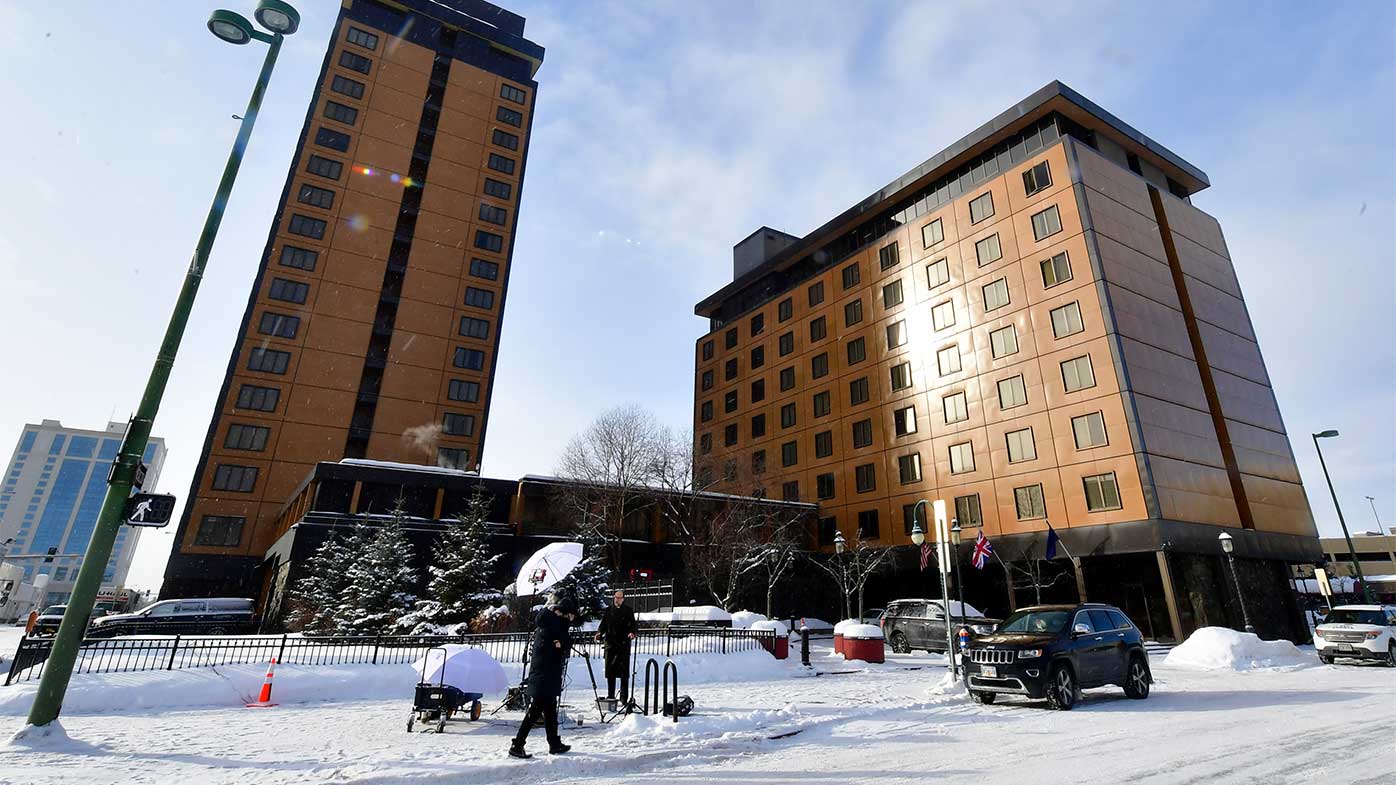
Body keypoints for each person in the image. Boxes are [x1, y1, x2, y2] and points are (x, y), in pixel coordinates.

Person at [509, 596, 576, 759]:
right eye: (571, 615)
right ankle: (517, 745)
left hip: (545, 674)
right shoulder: (553, 626)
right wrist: (563, 641)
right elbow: (565, 644)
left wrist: (563, 642)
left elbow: (564, 643)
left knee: (550, 710)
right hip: (546, 675)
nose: (572, 619)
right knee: (535, 710)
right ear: (564, 613)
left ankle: (554, 743)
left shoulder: (549, 623)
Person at [594, 589, 637, 705]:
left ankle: (624, 698)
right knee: (610, 673)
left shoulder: (628, 611)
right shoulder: (608, 610)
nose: (617, 600)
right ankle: (611, 696)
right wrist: (599, 633)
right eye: (615, 598)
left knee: (624, 674)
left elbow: (633, 625)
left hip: (623, 646)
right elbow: (603, 625)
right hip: (611, 646)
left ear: (623, 599)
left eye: (619, 598)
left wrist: (632, 633)